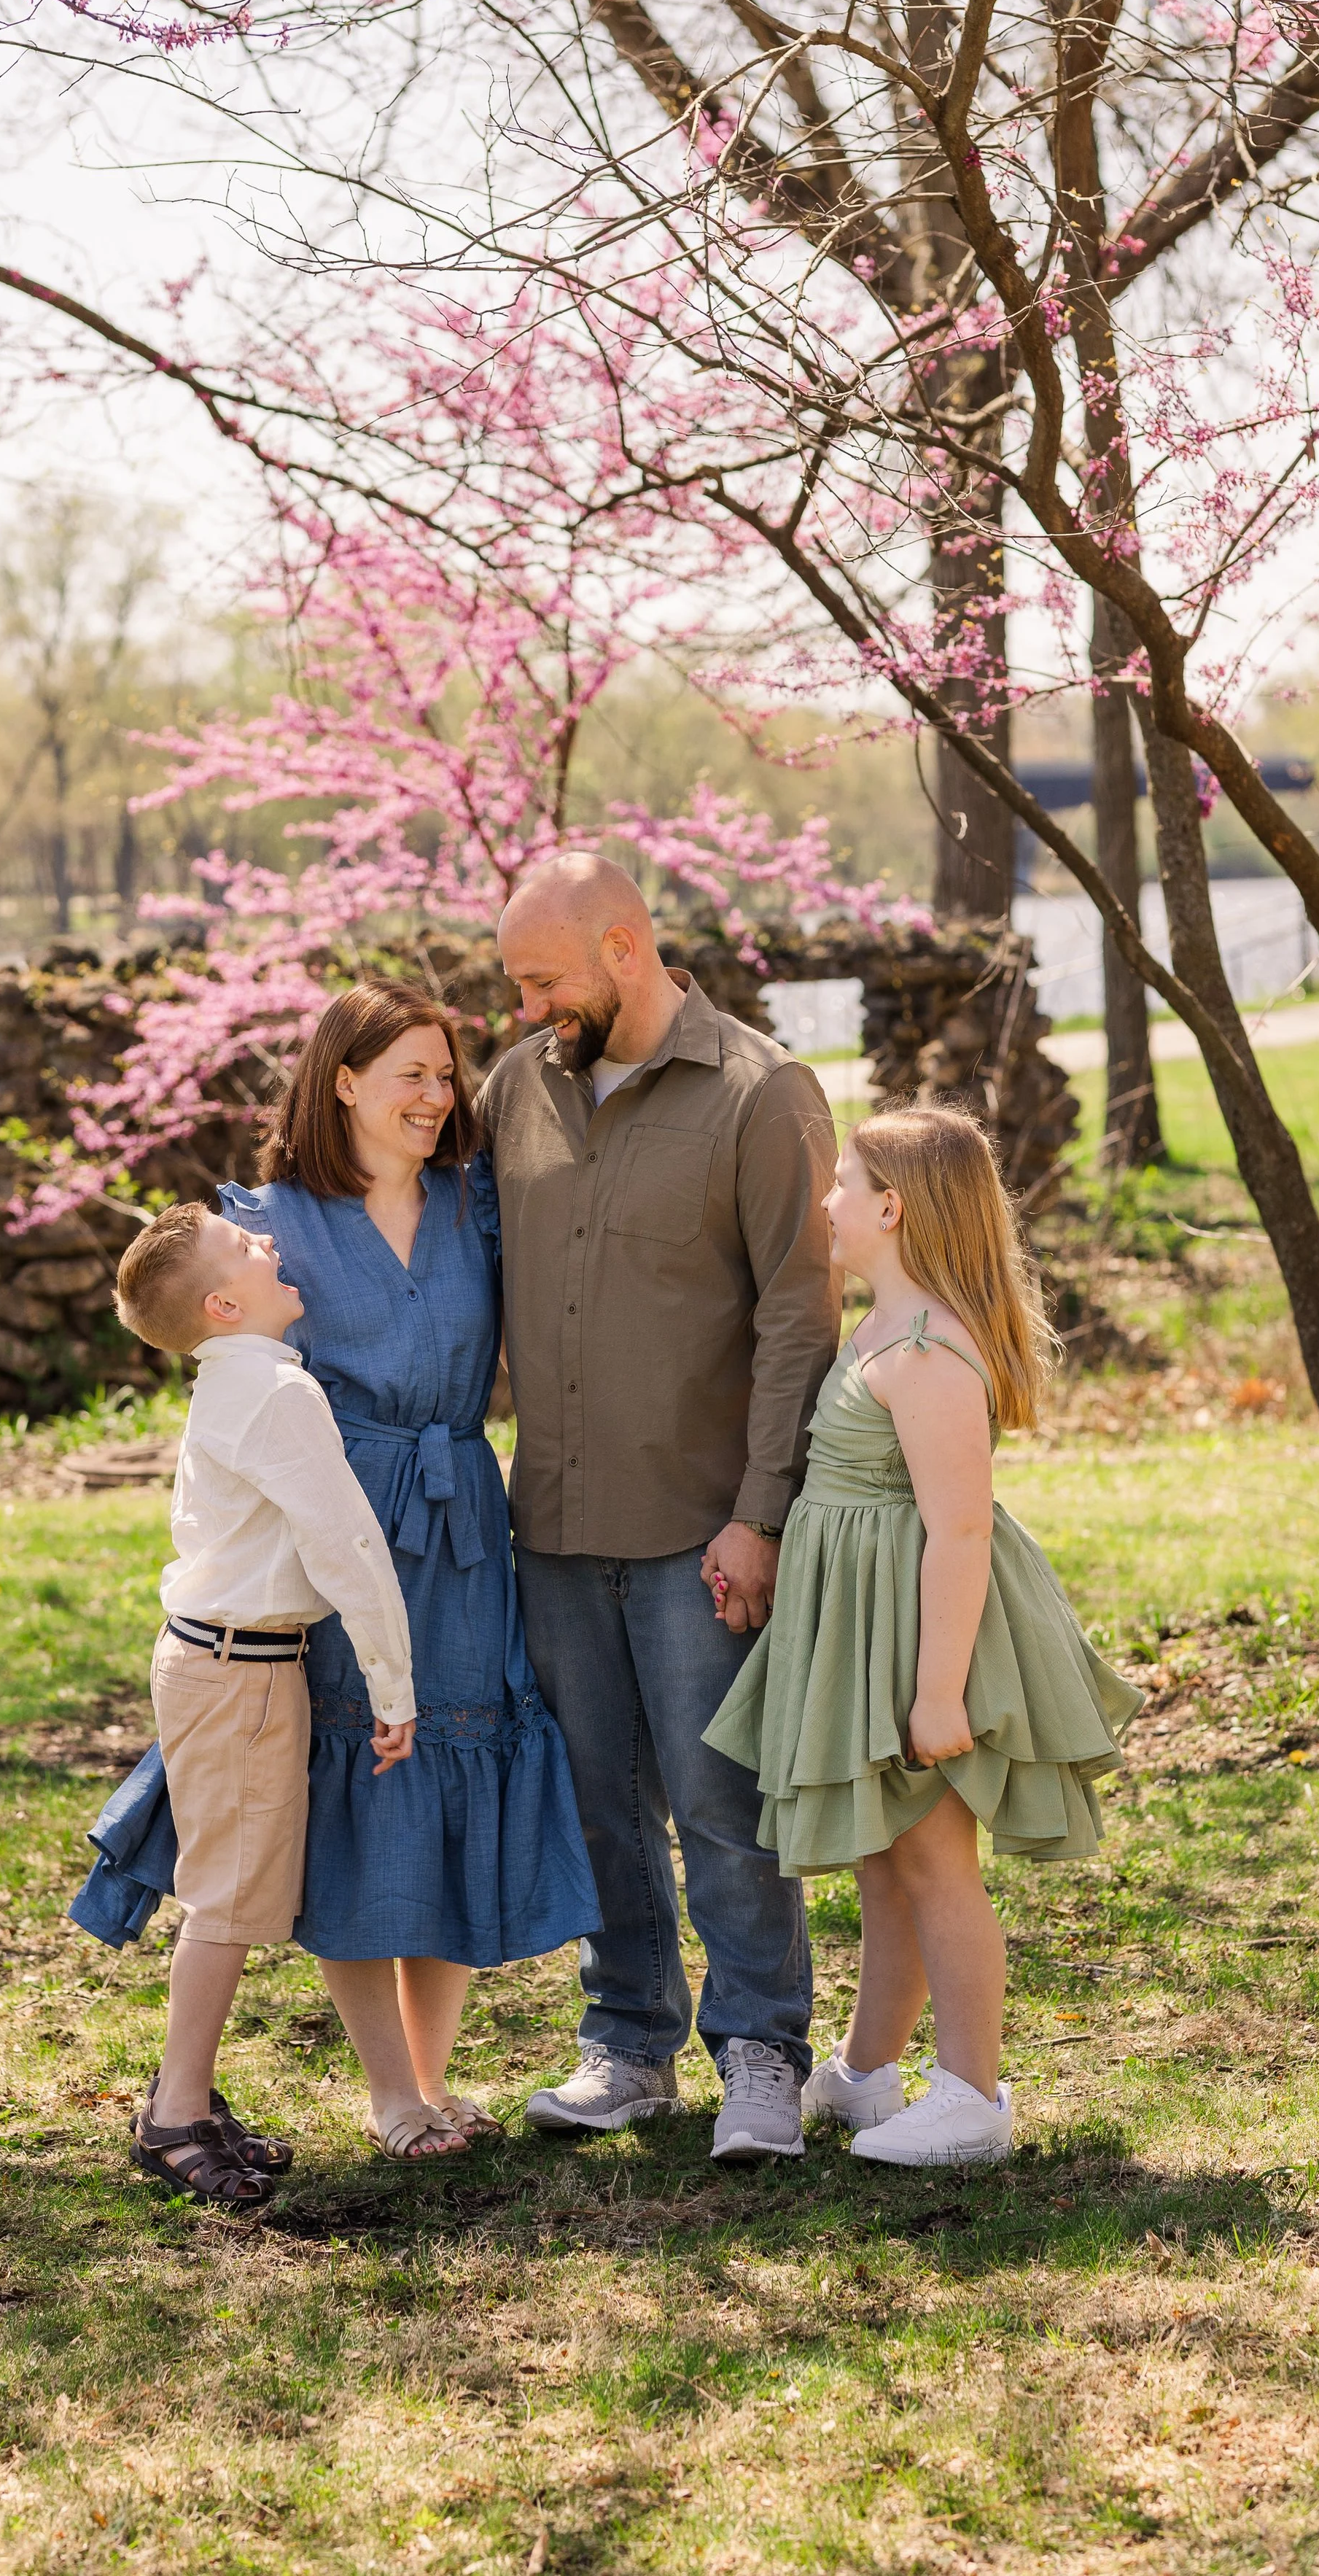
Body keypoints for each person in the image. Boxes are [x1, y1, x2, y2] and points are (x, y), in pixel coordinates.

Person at [483, 853, 841, 2164]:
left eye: (542, 978)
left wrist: (761, 1513)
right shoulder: (516, 1090)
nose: (524, 1006)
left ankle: (762, 2055)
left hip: (703, 1525)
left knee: (721, 1804)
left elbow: (802, 1319)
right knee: (596, 1804)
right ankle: (629, 2043)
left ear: (625, 947)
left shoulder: (760, 1093)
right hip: (555, 1526)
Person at [703, 1106, 1145, 2165]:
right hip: (866, 1627)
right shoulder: (877, 1331)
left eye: (843, 1183)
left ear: (892, 1208)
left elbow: (958, 1528)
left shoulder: (928, 1349)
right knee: (889, 1860)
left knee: (939, 1865)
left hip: (916, 1637)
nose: (827, 1203)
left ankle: (974, 2095)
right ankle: (864, 2071)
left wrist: (937, 1691)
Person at [219, 981, 599, 2161]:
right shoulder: (271, 1222)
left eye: (448, 1076)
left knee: (455, 1772)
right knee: (363, 1781)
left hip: (466, 1521)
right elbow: (227, 1385)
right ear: (342, 1081)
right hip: (342, 1529)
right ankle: (388, 2092)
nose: (439, 1099)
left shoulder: (475, 1203)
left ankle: (434, 2082)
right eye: (412, 1077)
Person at [108, 1201, 417, 2208]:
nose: (271, 1241)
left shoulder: (241, 1381)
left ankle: (187, 2095)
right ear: (223, 1303)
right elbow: (347, 1547)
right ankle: (173, 2115)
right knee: (229, 1898)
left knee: (230, 1890)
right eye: (246, 1247)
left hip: (230, 1663)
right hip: (235, 1670)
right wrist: (393, 1683)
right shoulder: (277, 1395)